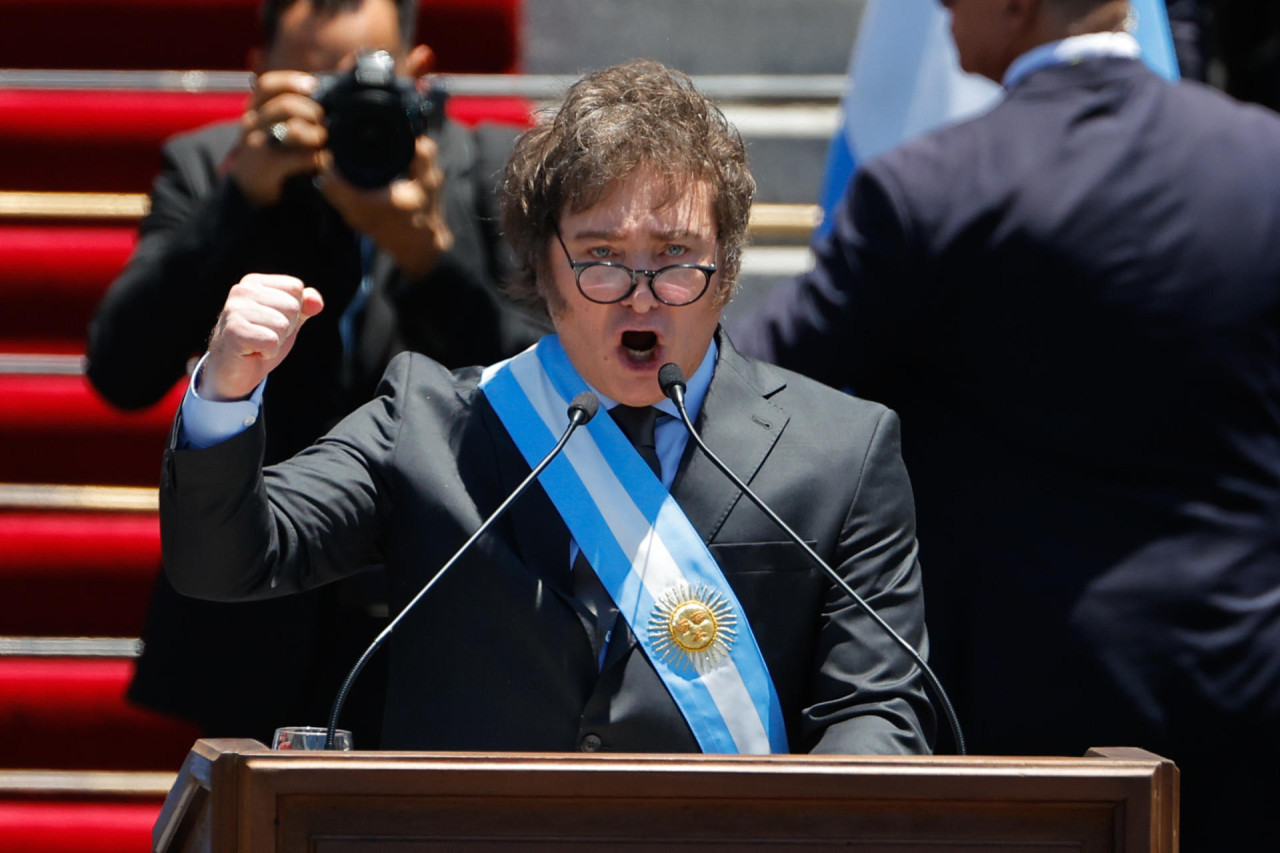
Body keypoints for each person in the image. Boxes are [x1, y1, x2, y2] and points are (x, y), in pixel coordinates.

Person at [157, 59, 935, 755]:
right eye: (599, 257)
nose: (640, 293)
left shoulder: (841, 449)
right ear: (543, 268)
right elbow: (225, 559)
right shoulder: (430, 423)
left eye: (673, 258)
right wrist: (227, 390)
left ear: (726, 271)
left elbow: (876, 709)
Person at [730, 0, 1280, 846]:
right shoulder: (1262, 161)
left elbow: (758, 388)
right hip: (1248, 689)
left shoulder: (930, 192)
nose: (940, 7)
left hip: (1025, 719)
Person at [85, 0, 546, 745]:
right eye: (313, 78)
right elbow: (119, 369)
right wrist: (241, 199)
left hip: (447, 604)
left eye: (364, 77)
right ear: (258, 74)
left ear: (418, 75)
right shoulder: (212, 166)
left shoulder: (492, 168)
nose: (344, 103)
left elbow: (553, 377)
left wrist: (428, 258)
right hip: (255, 613)